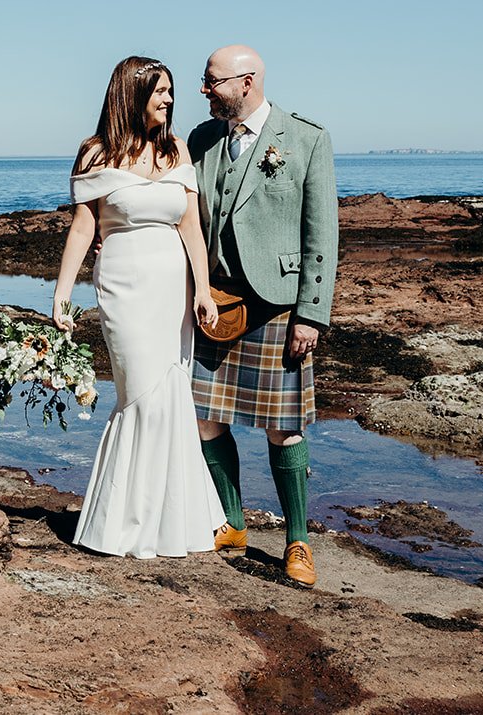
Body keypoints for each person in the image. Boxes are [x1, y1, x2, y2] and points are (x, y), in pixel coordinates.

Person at [52, 56, 227, 558]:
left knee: (171, 394)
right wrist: (62, 293)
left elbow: (191, 228)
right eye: (160, 92)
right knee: (140, 393)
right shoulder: (95, 153)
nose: (169, 101)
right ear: (132, 95)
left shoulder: (175, 150)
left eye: (170, 92)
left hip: (173, 287)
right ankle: (125, 521)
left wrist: (203, 290)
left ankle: (174, 520)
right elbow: (83, 228)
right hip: (124, 286)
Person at [187, 44, 338, 587]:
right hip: (215, 302)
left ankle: (297, 540)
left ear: (245, 82)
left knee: (284, 429)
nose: (202, 90)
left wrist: (311, 315)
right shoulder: (201, 140)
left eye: (211, 82)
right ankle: (232, 523)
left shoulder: (306, 139)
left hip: (278, 305)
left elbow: (322, 235)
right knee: (205, 416)